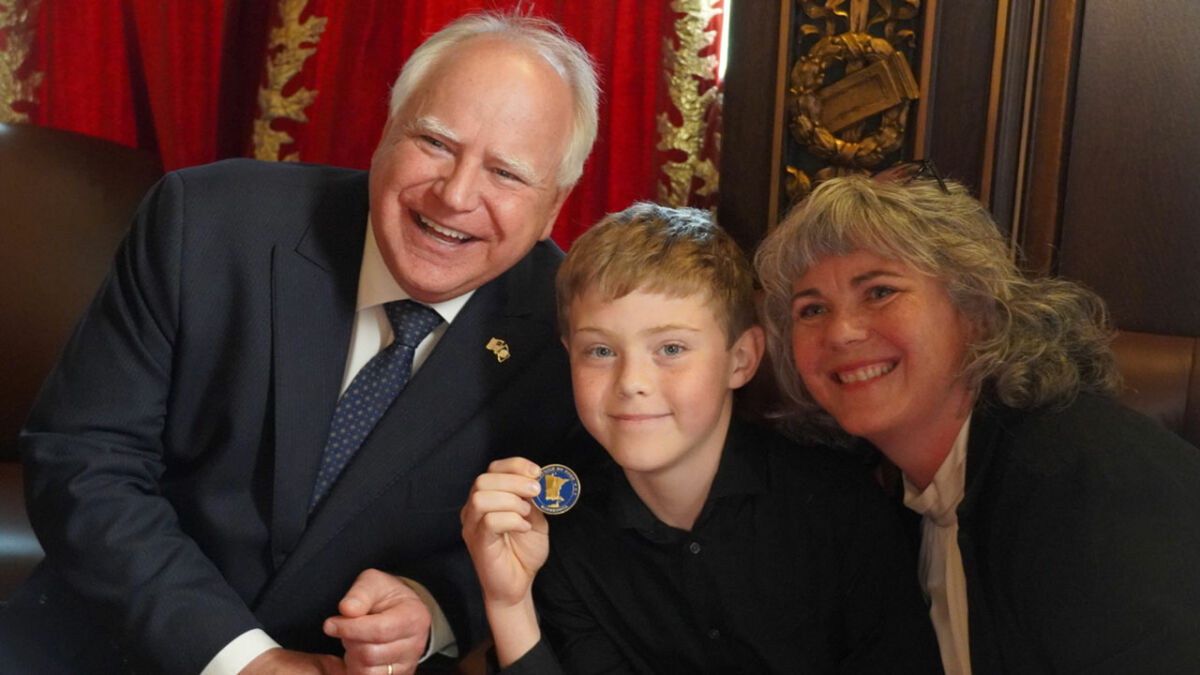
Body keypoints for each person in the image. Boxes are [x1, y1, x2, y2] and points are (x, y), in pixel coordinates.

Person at [3, 11, 599, 675]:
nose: (456, 195)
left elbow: (563, 524)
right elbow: (84, 459)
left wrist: (432, 607)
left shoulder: (573, 333)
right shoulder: (206, 221)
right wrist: (246, 659)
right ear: (387, 132)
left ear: (553, 206)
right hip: (108, 644)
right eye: (434, 142)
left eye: (506, 174)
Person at [460, 203, 943, 674]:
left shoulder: (841, 511)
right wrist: (509, 605)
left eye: (670, 348)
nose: (632, 382)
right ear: (569, 355)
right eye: (600, 350)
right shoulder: (563, 532)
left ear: (741, 359)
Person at [754, 170, 1200, 674]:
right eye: (811, 309)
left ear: (976, 312)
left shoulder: (1087, 485)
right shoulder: (896, 500)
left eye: (879, 292)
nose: (842, 332)